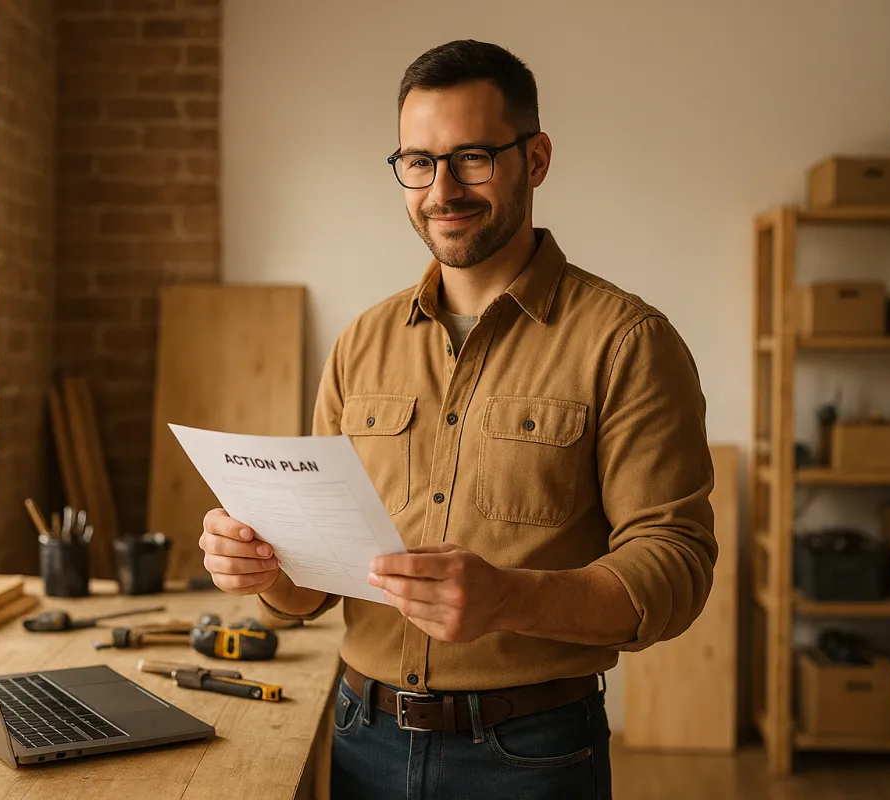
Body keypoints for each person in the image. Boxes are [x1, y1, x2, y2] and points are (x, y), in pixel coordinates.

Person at [197, 39, 717, 800]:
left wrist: (509, 598)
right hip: (361, 737)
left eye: (472, 157)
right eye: (418, 161)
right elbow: (311, 588)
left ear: (535, 159)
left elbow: (675, 565)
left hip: (530, 756)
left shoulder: (627, 342)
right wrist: (267, 569)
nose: (442, 190)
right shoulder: (360, 343)